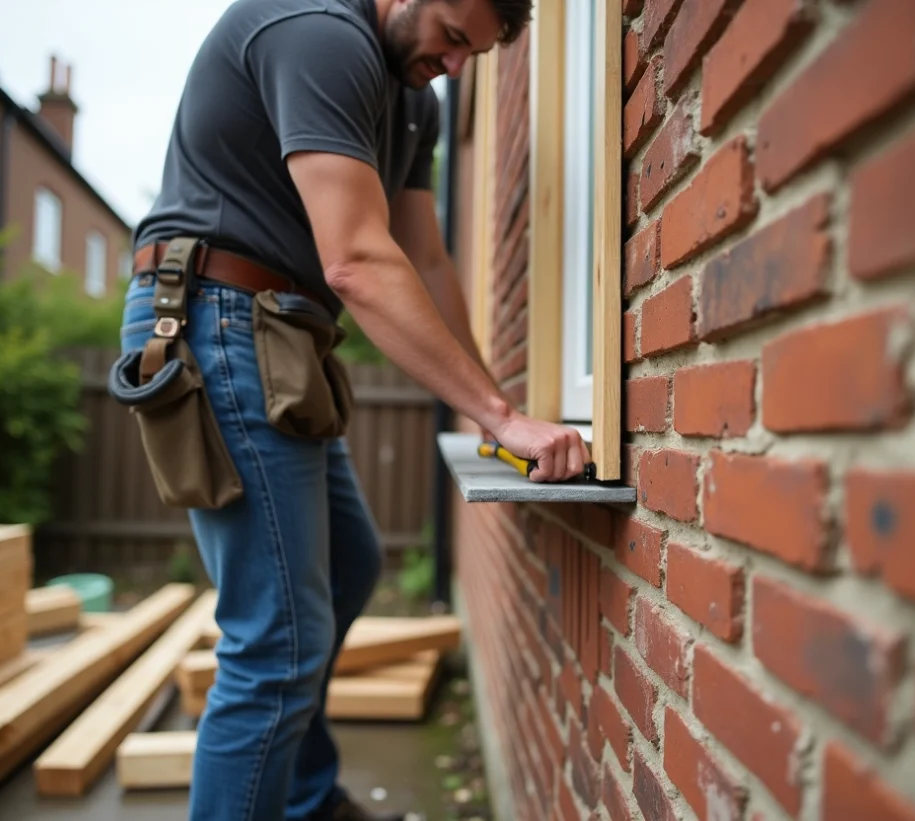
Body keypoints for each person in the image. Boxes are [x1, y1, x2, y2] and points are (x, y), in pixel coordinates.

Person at [118, 0, 588, 818]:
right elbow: (359, 263)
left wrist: (491, 406)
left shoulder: (415, 100)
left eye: (471, 53)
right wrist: (501, 417)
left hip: (279, 333)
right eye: (450, 38)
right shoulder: (318, 32)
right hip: (213, 316)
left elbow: (425, 258)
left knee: (351, 562)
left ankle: (301, 798)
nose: (453, 66)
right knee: (275, 647)